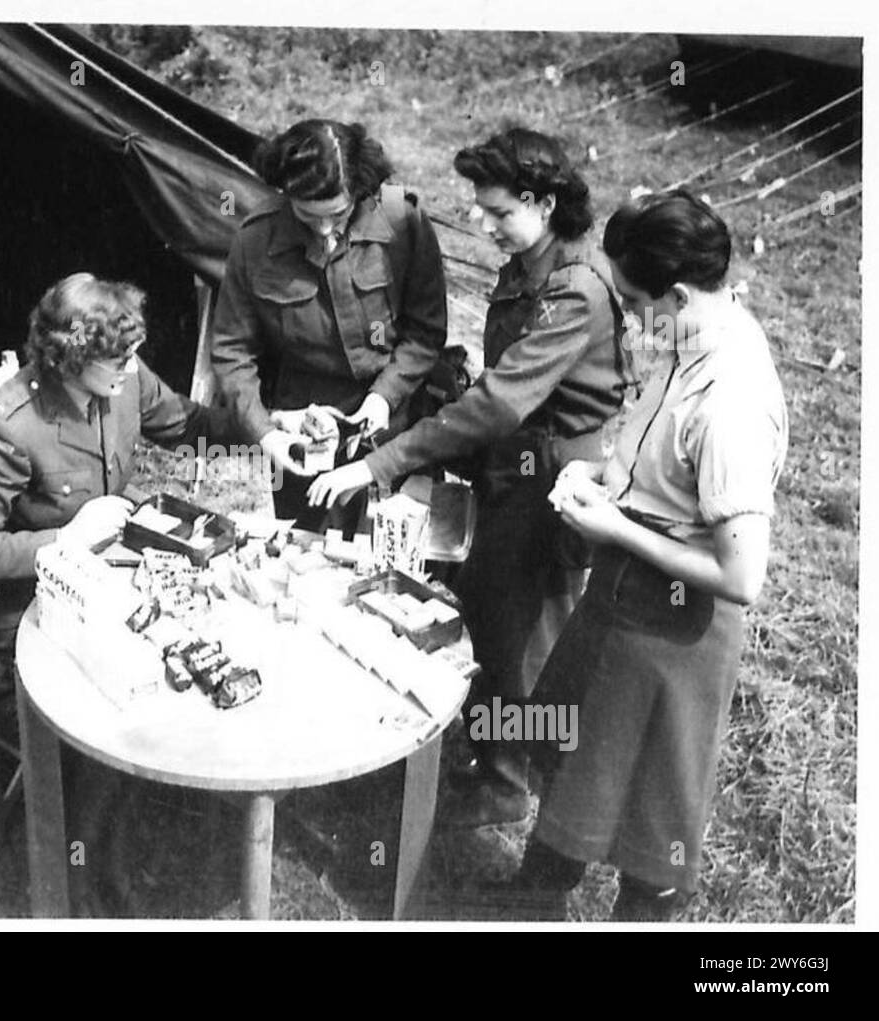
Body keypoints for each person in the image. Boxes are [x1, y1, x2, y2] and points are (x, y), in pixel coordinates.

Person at [308, 128, 633, 826]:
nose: (482, 226)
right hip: (518, 460)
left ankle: (514, 783)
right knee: (487, 610)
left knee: (522, 640)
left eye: (497, 212)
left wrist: (383, 460)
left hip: (553, 480)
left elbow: (499, 399)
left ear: (543, 203)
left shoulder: (573, 288)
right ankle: (495, 759)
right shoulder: (536, 260)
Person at [505, 191, 787, 920]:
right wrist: (600, 473)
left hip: (677, 626)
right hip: (623, 595)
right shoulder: (688, 332)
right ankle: (531, 900)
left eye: (632, 301)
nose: (625, 315)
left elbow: (742, 575)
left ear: (682, 294)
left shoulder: (731, 399)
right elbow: (655, 446)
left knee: (653, 814)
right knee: (580, 766)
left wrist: (615, 529)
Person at [0, 272, 229, 914]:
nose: (130, 370)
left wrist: (271, 433)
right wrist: (64, 539)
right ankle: (83, 871)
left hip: (104, 586)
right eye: (116, 360)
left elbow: (185, 422)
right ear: (70, 356)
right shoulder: (9, 424)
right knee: (111, 708)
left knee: (177, 661)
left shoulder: (120, 374)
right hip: (27, 604)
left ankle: (110, 845)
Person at [210, 118, 448, 532]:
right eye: (307, 215)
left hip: (394, 417)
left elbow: (425, 332)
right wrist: (266, 434)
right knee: (309, 560)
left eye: (336, 214)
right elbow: (233, 352)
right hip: (304, 427)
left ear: (360, 191)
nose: (323, 230)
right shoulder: (256, 241)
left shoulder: (402, 221)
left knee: (390, 557)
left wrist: (383, 399)